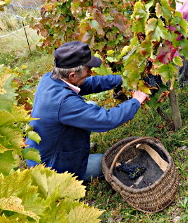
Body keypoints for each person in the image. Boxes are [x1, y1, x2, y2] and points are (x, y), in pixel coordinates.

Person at [25, 41, 149, 181]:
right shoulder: (64, 103)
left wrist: (122, 79)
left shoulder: (51, 78)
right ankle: (68, 170)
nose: (90, 72)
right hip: (49, 168)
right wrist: (136, 101)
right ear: (72, 75)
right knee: (107, 162)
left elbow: (90, 84)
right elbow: (106, 120)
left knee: (89, 104)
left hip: (43, 148)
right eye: (87, 69)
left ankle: (74, 148)